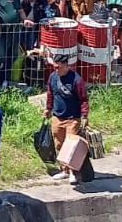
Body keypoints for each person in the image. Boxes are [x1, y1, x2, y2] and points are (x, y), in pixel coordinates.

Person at [43, 53, 90, 184]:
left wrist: (84, 116)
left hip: (72, 119)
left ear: (66, 66)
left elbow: (84, 99)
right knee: (59, 144)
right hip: (57, 117)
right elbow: (50, 94)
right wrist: (48, 108)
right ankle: (64, 170)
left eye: (58, 67)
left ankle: (73, 173)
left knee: (71, 146)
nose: (56, 70)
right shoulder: (53, 77)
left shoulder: (76, 80)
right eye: (54, 67)